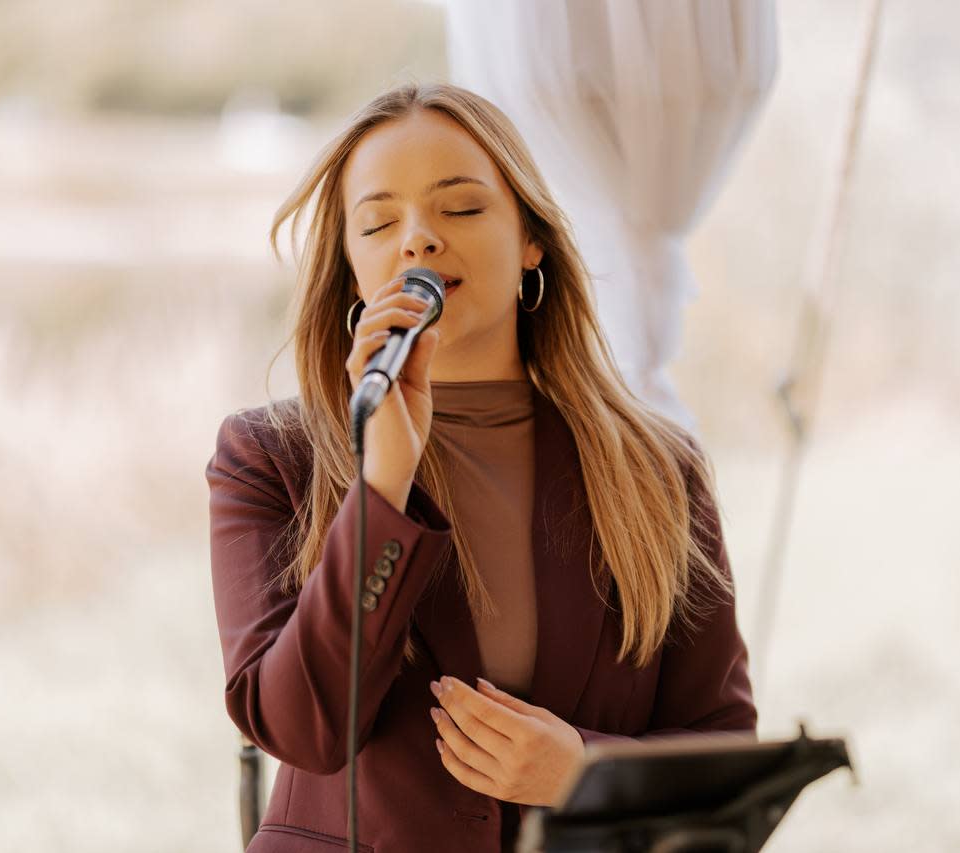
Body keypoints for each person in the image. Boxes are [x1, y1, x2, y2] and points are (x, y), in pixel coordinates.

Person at [206, 82, 756, 853]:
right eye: (378, 222)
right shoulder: (266, 459)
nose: (418, 241)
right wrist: (381, 485)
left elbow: (723, 752)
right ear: (352, 268)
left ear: (532, 239)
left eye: (461, 208)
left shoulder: (659, 469)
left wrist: (584, 773)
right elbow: (304, 729)